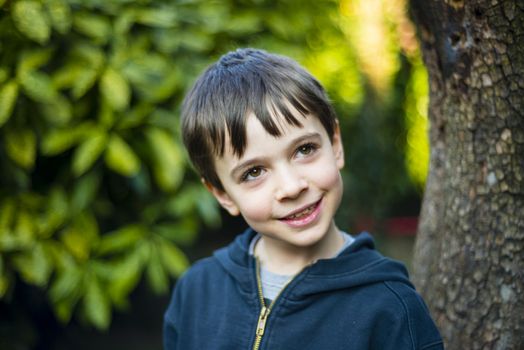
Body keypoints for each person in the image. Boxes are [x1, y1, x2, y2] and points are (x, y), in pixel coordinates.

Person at [163, 48, 444, 350]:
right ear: (222, 195)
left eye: (304, 150)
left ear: (335, 144)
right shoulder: (196, 292)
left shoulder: (390, 307)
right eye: (254, 172)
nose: (291, 187)